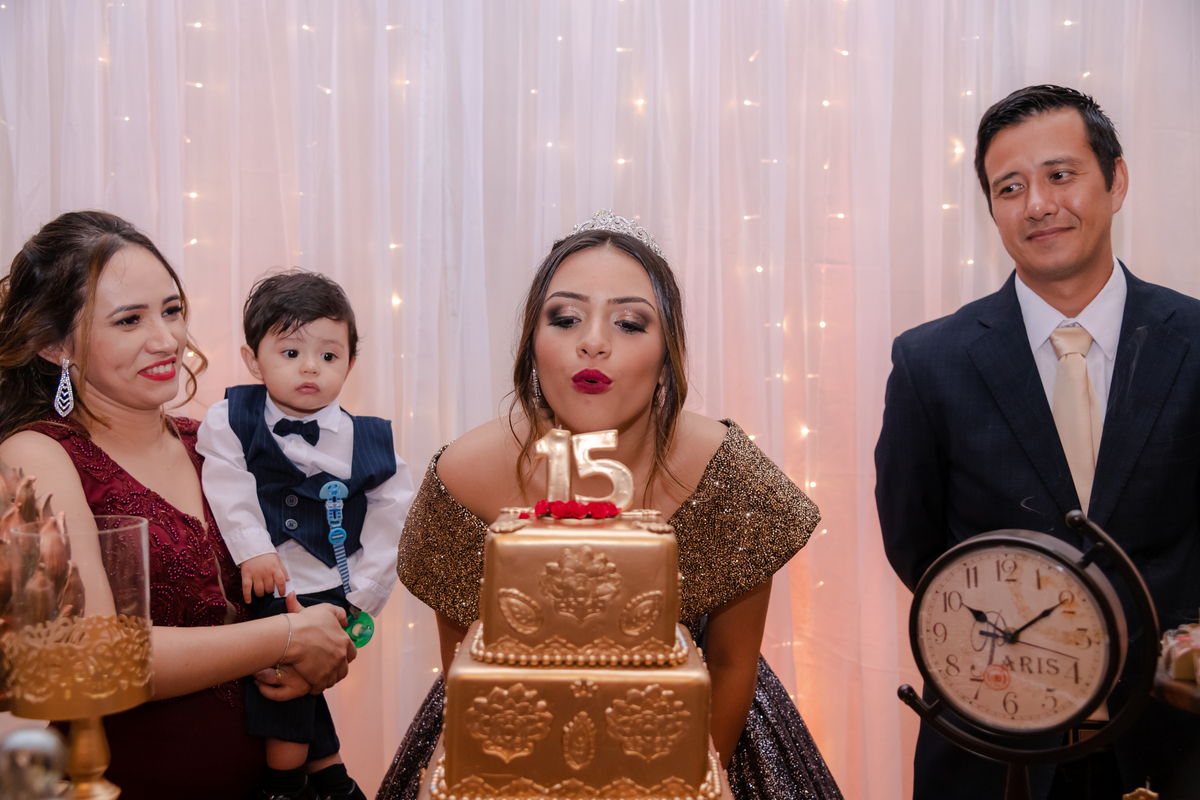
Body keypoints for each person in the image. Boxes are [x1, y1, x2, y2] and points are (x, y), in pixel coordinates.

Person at [375, 210, 843, 800]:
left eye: (628, 323)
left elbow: (729, 666)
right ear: (532, 344)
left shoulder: (726, 473)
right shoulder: (464, 477)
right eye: (565, 318)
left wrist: (680, 783)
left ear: (667, 354)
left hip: (704, 734)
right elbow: (467, 676)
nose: (593, 341)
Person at [876, 85, 1200, 799]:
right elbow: (917, 544)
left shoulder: (1194, 341)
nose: (1038, 205)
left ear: (1115, 181)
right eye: (1010, 187)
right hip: (994, 740)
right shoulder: (930, 362)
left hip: (1174, 739)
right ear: (992, 208)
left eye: (1060, 175)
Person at [0, 211, 357, 800]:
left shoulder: (214, 442)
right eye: (129, 319)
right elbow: (93, 655)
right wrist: (288, 639)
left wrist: (314, 648)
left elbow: (296, 585)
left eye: (171, 310)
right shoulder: (34, 456)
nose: (167, 339)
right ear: (53, 344)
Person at [196, 270, 415, 800]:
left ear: (350, 364)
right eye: (291, 352)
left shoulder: (370, 440)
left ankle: (290, 785)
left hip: (328, 586)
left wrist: (360, 598)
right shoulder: (229, 417)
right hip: (261, 582)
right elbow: (226, 483)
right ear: (254, 360)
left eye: (329, 355)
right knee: (285, 680)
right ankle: (323, 783)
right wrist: (253, 550)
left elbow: (393, 522)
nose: (311, 367)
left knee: (285, 681)